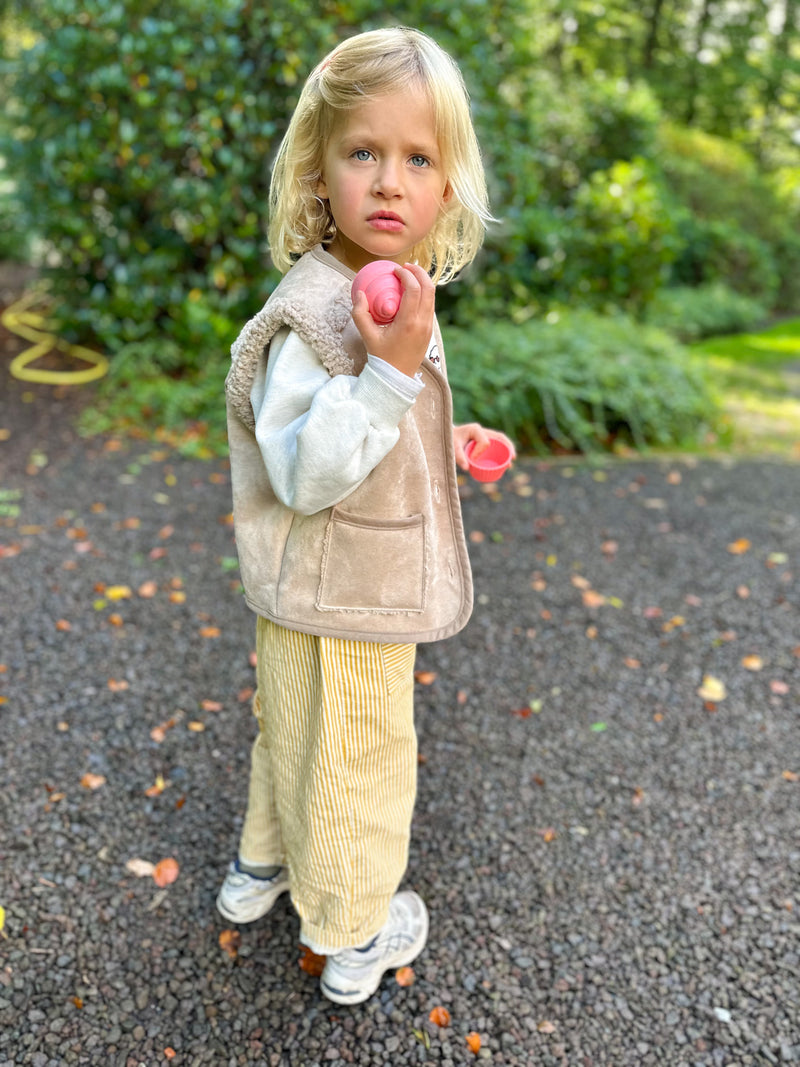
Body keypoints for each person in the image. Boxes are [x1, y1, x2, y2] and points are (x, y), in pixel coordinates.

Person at [219, 25, 514, 1006]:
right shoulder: (317, 312)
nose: (389, 181)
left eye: (416, 158)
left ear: (443, 189)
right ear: (319, 175)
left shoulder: (381, 295)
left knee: (295, 734)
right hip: (347, 589)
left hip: (312, 584)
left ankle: (260, 866)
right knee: (359, 754)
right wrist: (390, 371)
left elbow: (380, 422)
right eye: (363, 153)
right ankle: (353, 930)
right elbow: (309, 468)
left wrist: (444, 431)